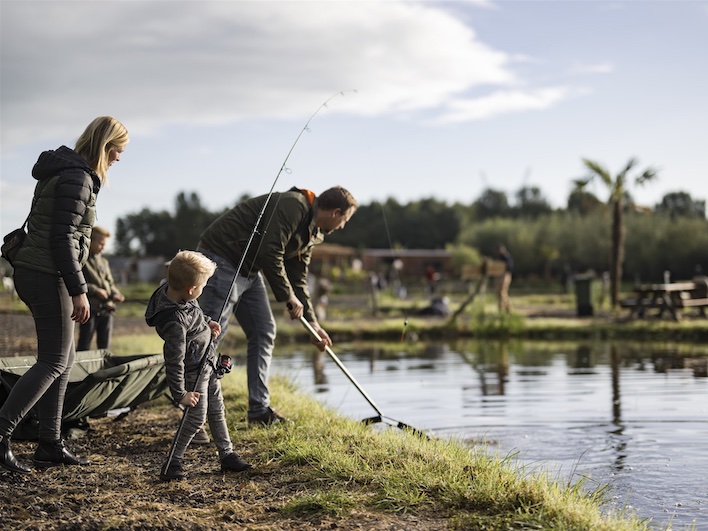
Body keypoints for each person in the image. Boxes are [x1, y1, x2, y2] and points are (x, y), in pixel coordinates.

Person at [0, 116, 128, 474]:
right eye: (118, 148)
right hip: (46, 274)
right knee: (54, 360)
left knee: (64, 359)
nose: (119, 157)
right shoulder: (78, 176)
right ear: (105, 146)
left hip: (37, 270)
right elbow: (62, 239)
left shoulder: (66, 170)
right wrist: (79, 290)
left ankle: (50, 445)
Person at [196, 186, 357, 426]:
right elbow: (271, 251)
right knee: (211, 338)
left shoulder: (314, 232)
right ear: (335, 213)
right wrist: (286, 296)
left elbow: (299, 275)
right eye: (344, 220)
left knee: (264, 331)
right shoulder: (294, 205)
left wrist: (313, 322)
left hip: (250, 268)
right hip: (222, 258)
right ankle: (194, 417)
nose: (343, 226)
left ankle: (259, 411)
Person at [145, 250, 252, 481]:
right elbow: (173, 360)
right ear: (191, 289)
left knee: (217, 410)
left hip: (207, 364)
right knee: (195, 418)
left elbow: (193, 313)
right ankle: (172, 463)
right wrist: (180, 394)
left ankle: (227, 454)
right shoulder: (174, 322)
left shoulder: (181, 297)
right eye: (203, 285)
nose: (203, 289)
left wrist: (207, 322)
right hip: (194, 373)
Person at [77, 226, 125, 351]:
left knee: (105, 346)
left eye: (105, 244)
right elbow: (78, 282)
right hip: (90, 310)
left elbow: (110, 283)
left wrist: (115, 294)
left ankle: (103, 369)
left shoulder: (104, 262)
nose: (103, 247)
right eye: (101, 243)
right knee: (84, 343)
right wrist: (95, 291)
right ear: (91, 240)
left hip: (107, 310)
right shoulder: (82, 260)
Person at [496, 244, 513, 313]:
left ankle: (507, 309)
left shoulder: (506, 257)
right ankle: (502, 310)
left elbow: (509, 267)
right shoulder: (501, 257)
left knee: (502, 292)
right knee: (500, 293)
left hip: (505, 275)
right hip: (501, 276)